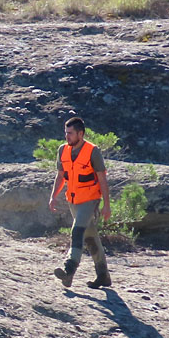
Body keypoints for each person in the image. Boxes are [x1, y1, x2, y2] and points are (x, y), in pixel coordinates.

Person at [48, 116, 111, 289]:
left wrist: (106, 205)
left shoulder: (92, 151)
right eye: (66, 133)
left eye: (70, 133)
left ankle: (69, 269)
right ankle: (103, 275)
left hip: (90, 200)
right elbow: (61, 176)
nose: (67, 137)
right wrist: (53, 195)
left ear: (80, 134)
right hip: (73, 201)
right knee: (90, 237)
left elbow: (102, 179)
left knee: (77, 232)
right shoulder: (63, 150)